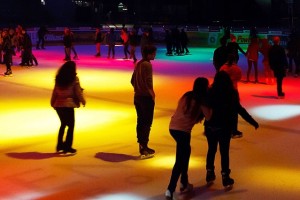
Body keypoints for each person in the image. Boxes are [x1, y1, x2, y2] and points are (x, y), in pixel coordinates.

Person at [204, 71, 259, 188]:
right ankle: (225, 176)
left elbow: (203, 108)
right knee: (224, 152)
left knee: (211, 149)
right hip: (224, 127)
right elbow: (240, 109)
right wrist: (252, 121)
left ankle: (209, 172)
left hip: (211, 126)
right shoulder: (231, 93)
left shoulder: (210, 92)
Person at [165, 77, 212, 200]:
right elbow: (209, 117)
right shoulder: (201, 101)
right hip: (183, 131)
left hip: (173, 127)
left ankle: (184, 182)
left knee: (186, 153)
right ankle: (170, 188)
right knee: (180, 160)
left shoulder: (187, 96)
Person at [51, 61, 86, 154]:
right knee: (70, 126)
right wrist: (83, 100)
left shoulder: (59, 78)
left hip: (58, 105)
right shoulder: (74, 79)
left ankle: (59, 144)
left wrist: (52, 102)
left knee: (63, 124)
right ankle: (67, 146)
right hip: (68, 105)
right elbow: (77, 92)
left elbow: (55, 91)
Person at [131, 45, 157, 158]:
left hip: (137, 97)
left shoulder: (139, 63)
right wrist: (151, 93)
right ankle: (144, 147)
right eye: (154, 53)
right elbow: (148, 81)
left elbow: (132, 80)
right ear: (149, 54)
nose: (155, 55)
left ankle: (142, 145)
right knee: (147, 123)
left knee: (140, 121)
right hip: (146, 98)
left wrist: (138, 88)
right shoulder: (147, 65)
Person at [220, 54, 243, 138]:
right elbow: (239, 77)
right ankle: (233, 130)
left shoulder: (222, 68)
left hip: (223, 91)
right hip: (233, 91)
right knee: (234, 112)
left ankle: (224, 128)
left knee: (225, 111)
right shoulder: (236, 68)